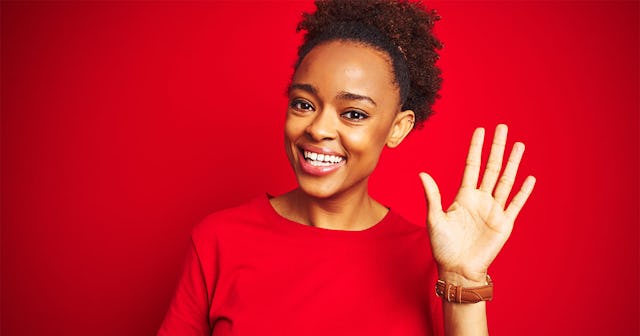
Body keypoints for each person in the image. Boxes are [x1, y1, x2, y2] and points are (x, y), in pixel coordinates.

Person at [158, 1, 536, 335]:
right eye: (304, 104)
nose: (318, 129)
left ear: (397, 128)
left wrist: (461, 280)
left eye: (353, 114)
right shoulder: (219, 240)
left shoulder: (432, 259)